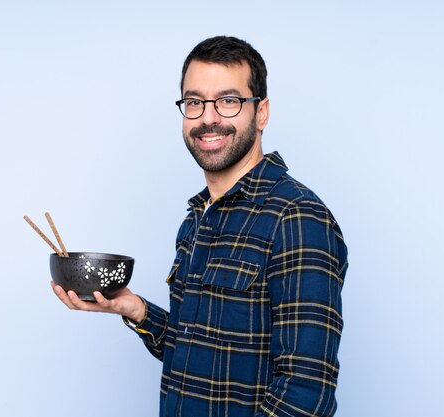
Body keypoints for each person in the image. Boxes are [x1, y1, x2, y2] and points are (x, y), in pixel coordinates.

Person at [52, 35, 348, 417]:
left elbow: (306, 393)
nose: (208, 118)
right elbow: (199, 356)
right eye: (194, 102)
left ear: (261, 113)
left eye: (228, 101)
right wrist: (137, 310)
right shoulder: (197, 218)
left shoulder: (297, 217)